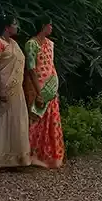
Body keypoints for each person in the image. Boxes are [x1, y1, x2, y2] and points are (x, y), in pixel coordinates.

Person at [0, 16, 31, 169]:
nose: (17, 27)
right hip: (1, 88)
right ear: (6, 27)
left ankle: (16, 159)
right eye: (14, 24)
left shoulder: (14, 44)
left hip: (16, 90)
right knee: (0, 123)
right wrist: (1, 88)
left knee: (17, 122)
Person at [24, 20, 65, 169]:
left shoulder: (50, 44)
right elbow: (31, 69)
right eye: (49, 25)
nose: (51, 28)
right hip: (36, 87)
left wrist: (54, 88)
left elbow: (51, 66)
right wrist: (39, 92)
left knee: (51, 120)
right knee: (36, 120)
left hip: (50, 88)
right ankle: (32, 155)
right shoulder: (31, 44)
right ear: (43, 26)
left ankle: (50, 156)